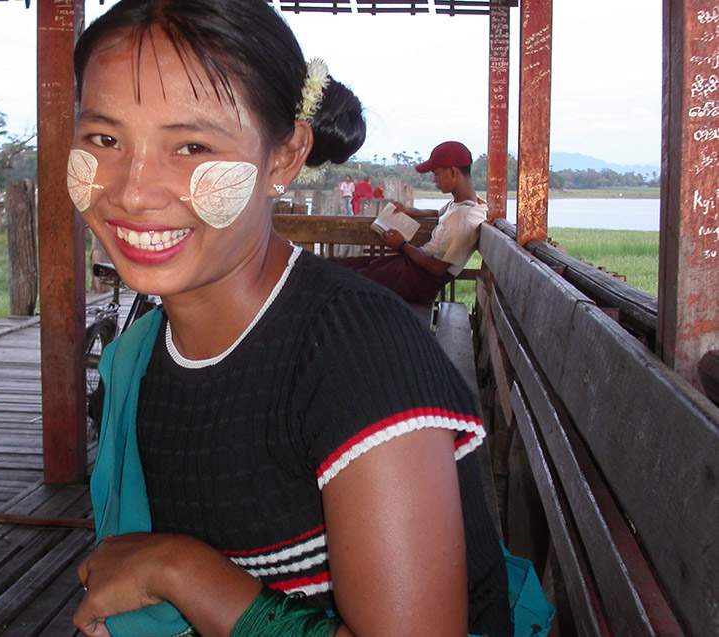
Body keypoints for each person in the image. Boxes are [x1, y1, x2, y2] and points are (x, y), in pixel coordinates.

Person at [68, 3, 517, 636]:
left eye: (191, 145)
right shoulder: (141, 352)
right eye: (104, 139)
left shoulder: (358, 358)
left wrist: (180, 571)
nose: (134, 191)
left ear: (283, 159)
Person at [331, 141, 488, 305]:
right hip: (412, 270)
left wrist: (402, 245)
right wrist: (413, 211)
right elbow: (439, 213)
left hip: (418, 281)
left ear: (453, 172)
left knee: (343, 276)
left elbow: (438, 268)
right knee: (351, 265)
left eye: (436, 174)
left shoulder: (464, 218)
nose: (435, 180)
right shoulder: (463, 204)